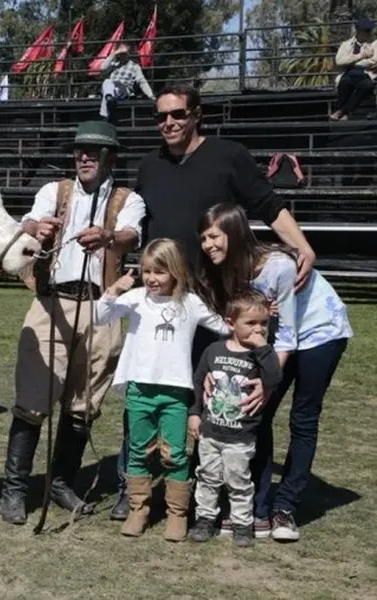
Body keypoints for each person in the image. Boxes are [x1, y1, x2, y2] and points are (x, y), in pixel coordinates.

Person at [108, 82, 316, 519]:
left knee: (221, 396)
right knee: (147, 393)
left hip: (215, 304)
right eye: (161, 116)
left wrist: (303, 246)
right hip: (162, 302)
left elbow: (269, 204)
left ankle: (228, 500)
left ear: (196, 114)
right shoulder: (148, 165)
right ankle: (134, 489)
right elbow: (139, 229)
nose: (169, 123)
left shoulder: (228, 155)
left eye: (178, 114)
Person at [0, 121, 145, 525]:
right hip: (52, 303)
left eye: (93, 151)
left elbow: (131, 235)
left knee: (83, 405)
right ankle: (14, 488)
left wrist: (109, 237)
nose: (83, 156)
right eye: (79, 150)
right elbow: (28, 223)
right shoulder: (55, 191)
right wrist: (37, 227)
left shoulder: (127, 199)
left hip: (102, 308)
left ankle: (60, 482)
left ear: (110, 157)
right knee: (32, 399)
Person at [196, 203, 353, 542]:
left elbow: (288, 335)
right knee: (258, 415)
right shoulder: (227, 269)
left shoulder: (278, 266)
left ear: (234, 233)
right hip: (277, 338)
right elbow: (236, 326)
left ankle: (285, 508)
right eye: (203, 239)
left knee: (303, 417)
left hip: (319, 332)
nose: (207, 245)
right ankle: (255, 508)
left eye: (213, 237)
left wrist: (267, 382)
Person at [94, 238, 230, 541]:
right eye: (146, 271)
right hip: (140, 389)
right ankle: (138, 509)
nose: (152, 279)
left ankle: (176, 514)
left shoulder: (190, 303)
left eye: (160, 272)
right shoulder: (136, 298)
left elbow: (223, 326)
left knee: (175, 453)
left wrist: (255, 315)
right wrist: (115, 289)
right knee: (138, 451)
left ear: (176, 272)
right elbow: (99, 315)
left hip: (175, 393)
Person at [188, 290, 283, 547]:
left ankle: (242, 523)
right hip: (211, 431)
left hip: (241, 435)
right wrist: (195, 413)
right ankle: (205, 518)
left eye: (264, 323)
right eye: (250, 323)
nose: (258, 329)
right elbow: (198, 381)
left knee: (239, 480)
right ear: (230, 323)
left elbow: (274, 379)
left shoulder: (262, 355)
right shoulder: (214, 350)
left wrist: (263, 348)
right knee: (207, 476)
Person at [330, 18, 377, 121]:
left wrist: (352, 61)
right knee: (345, 83)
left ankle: (342, 111)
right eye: (367, 31)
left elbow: (374, 61)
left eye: (370, 31)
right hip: (348, 73)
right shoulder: (346, 45)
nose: (370, 34)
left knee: (366, 85)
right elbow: (339, 61)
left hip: (366, 73)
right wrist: (362, 55)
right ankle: (345, 113)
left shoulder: (375, 44)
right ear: (359, 32)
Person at [97, 43, 155, 124]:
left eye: (124, 53)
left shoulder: (134, 66)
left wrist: (151, 96)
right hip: (111, 89)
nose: (122, 55)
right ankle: (109, 99)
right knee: (107, 82)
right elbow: (102, 68)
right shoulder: (114, 64)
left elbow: (142, 81)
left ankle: (104, 117)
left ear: (128, 54)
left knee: (109, 90)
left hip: (123, 88)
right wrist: (114, 53)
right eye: (120, 53)